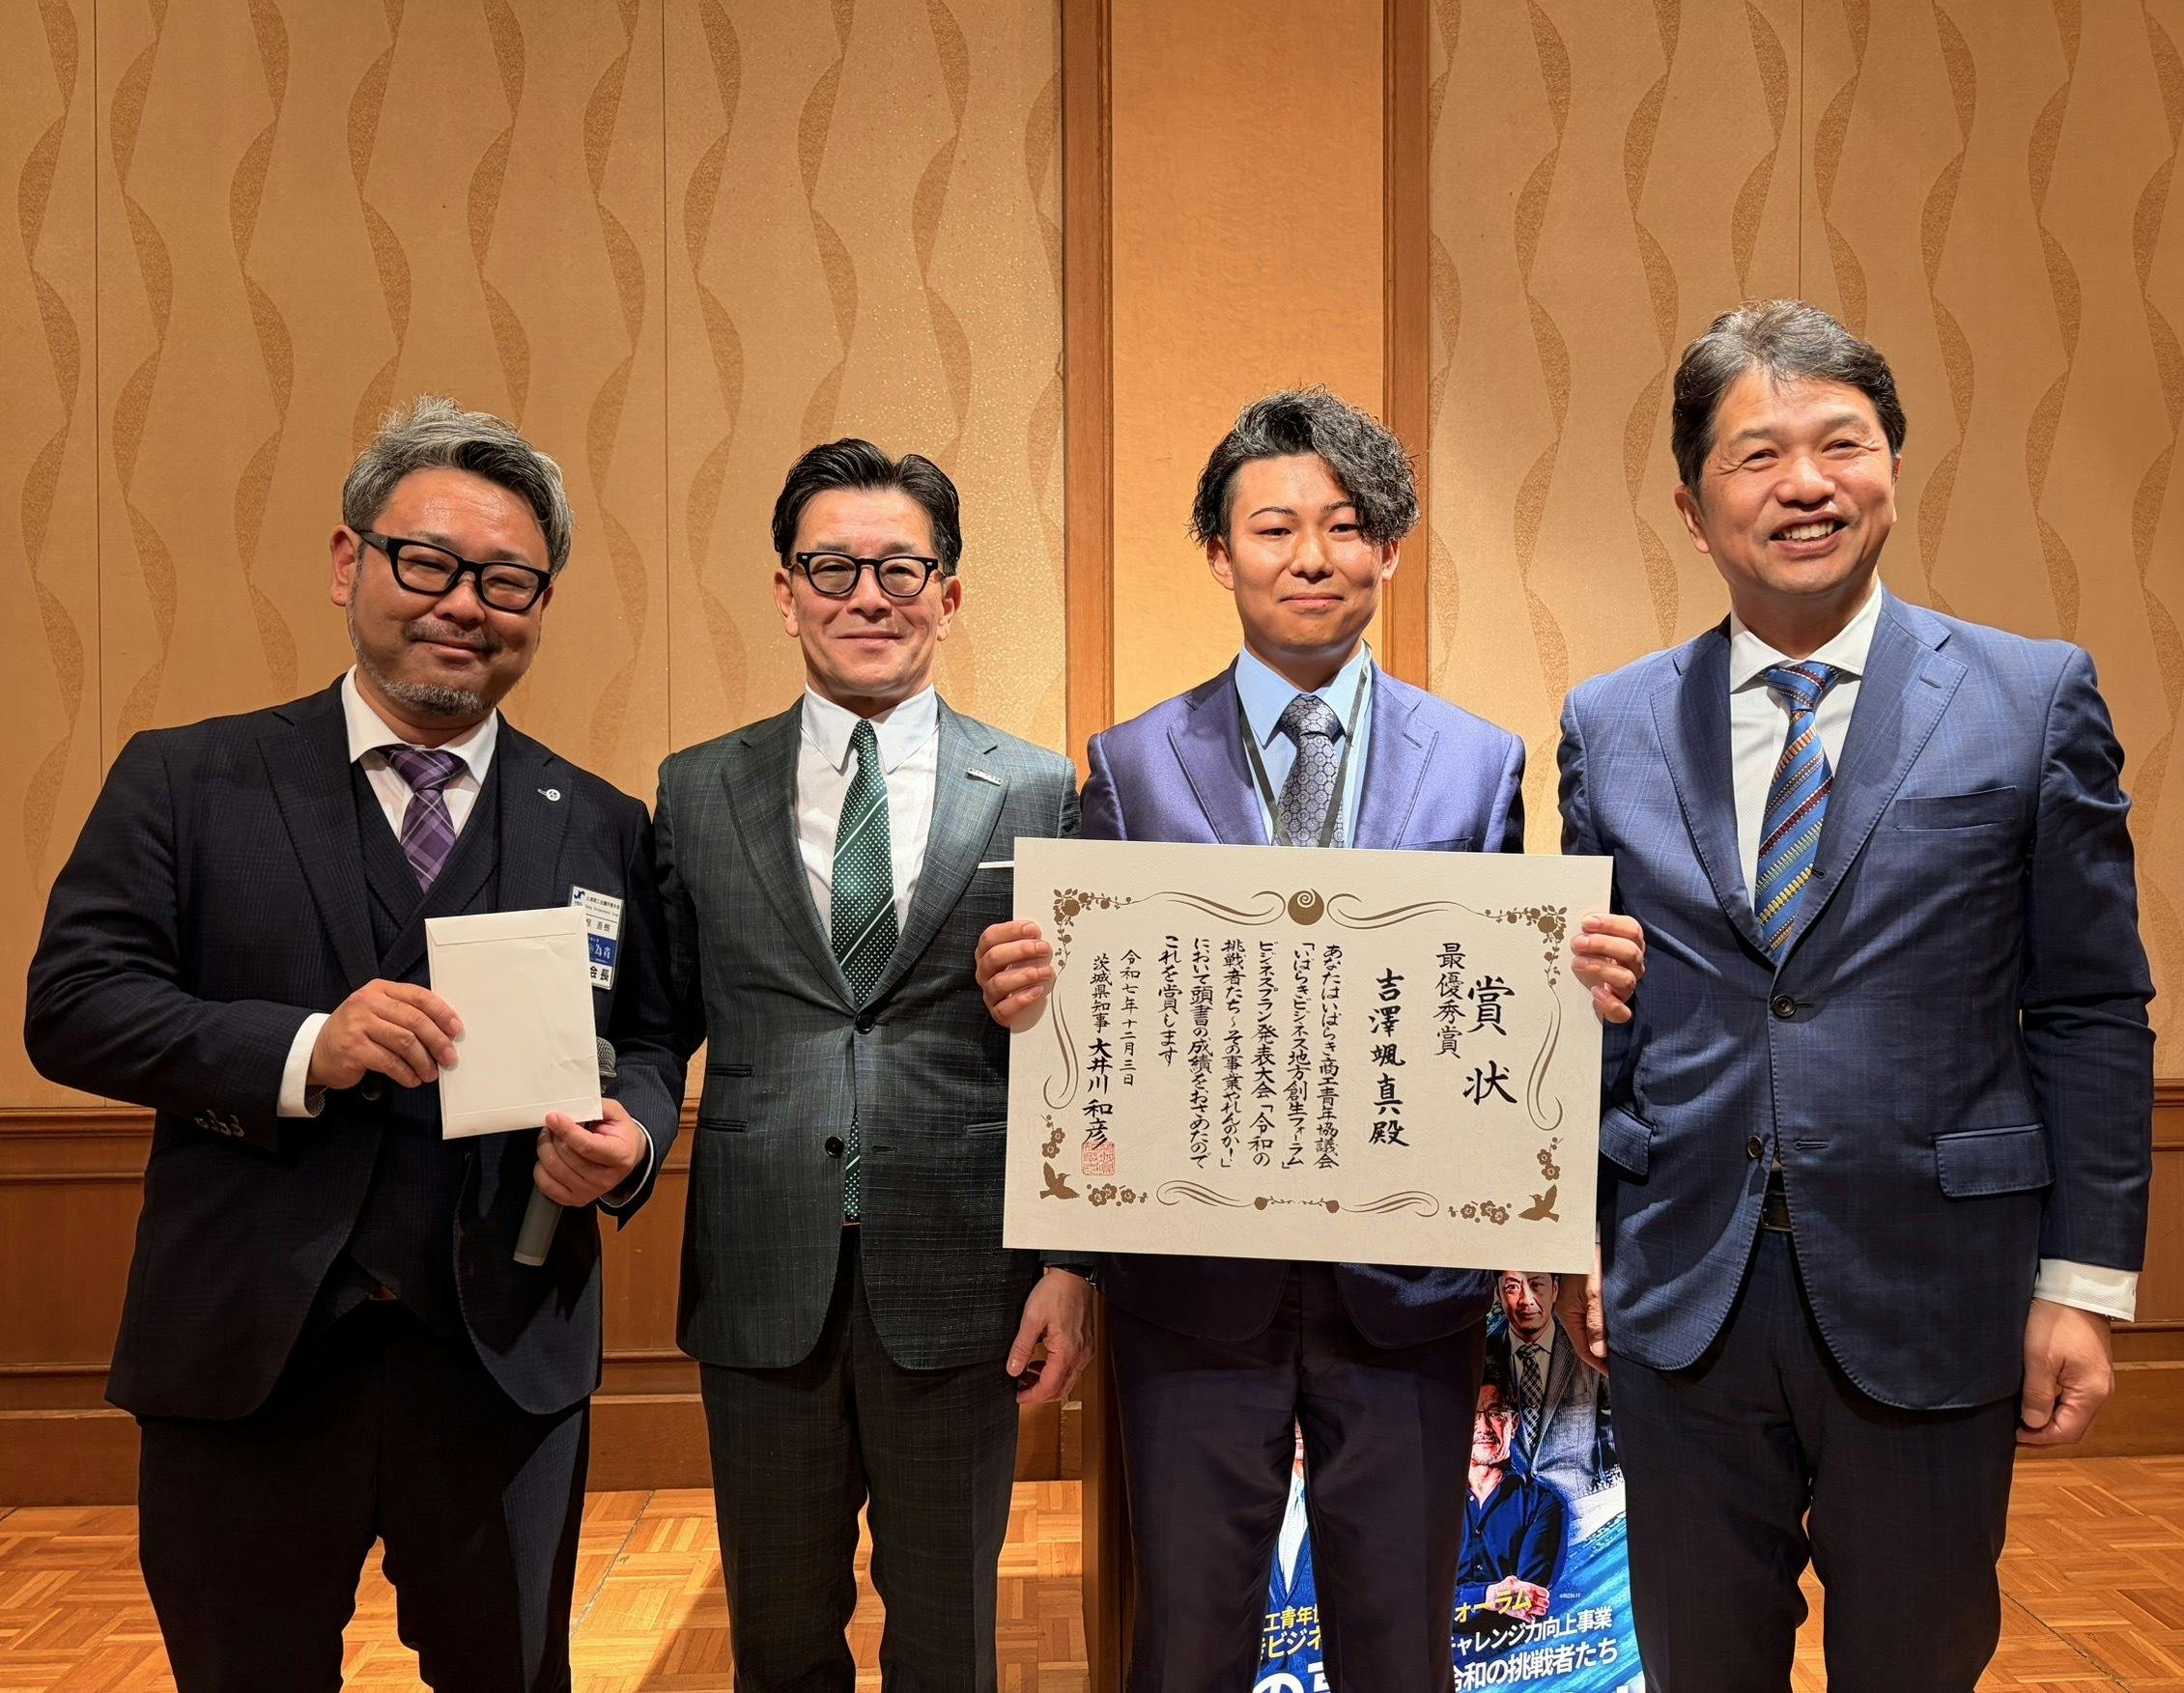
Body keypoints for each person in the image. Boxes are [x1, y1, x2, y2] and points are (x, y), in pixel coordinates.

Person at [976, 387, 1645, 1692]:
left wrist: (1573, 980)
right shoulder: (1131, 763)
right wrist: (1032, 990)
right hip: (1188, 1287)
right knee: (1188, 1639)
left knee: (1401, 1639)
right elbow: (1102, 1029)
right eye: (1273, 527)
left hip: (1407, 1289)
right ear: (1219, 553)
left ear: (1388, 549)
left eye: (1345, 526)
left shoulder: (1477, 761)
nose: (1311, 555)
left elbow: (1488, 1008)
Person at [23, 398, 684, 1692]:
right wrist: (304, 1047)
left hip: (503, 1360)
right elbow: (76, 1001)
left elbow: (652, 1034)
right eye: (426, 561)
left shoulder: (601, 821)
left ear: (540, 604)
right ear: (349, 562)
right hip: (244, 1355)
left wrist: (638, 1134)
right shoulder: (190, 780)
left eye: (505, 580)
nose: (462, 603)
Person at [1555, 300, 2155, 1692]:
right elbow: (1597, 1013)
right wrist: (1575, 1229)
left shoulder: (2031, 697)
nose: (1807, 483)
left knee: (1918, 1661)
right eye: (1758, 454)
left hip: (1937, 1283)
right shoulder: (1611, 720)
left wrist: (2082, 1285)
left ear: (1891, 468)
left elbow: (2090, 1007)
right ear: (1694, 510)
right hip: (1682, 1286)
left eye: (1842, 443)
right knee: (1701, 1665)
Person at [655, 438, 1092, 1693]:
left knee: (949, 1640)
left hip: (961, 1278)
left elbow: (1087, 1056)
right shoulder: (697, 789)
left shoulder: (1039, 789)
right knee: (779, 1639)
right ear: (785, 591)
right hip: (761, 1272)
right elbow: (654, 1021)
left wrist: (1071, 1263)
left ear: (948, 595)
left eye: (901, 568)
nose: (867, 595)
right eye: (831, 567)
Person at [1492, 1270, 1613, 1520]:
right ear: (1499, 1294)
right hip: (1509, 1520)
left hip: (1583, 1513)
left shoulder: (1586, 1349)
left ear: (1555, 1289)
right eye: (1512, 1288)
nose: (1526, 1300)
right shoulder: (1483, 1356)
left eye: (1537, 1285)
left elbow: (1612, 1434)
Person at [1456, 1373, 1565, 1627]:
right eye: (1473, 1415)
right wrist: (1489, 1595)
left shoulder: (1542, 1504)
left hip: (1515, 1647)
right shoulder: (1433, 1506)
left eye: (1495, 1414)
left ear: (1513, 1424)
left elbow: (1526, 1601)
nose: (1484, 1428)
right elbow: (1417, 1597)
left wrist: (1459, 1600)